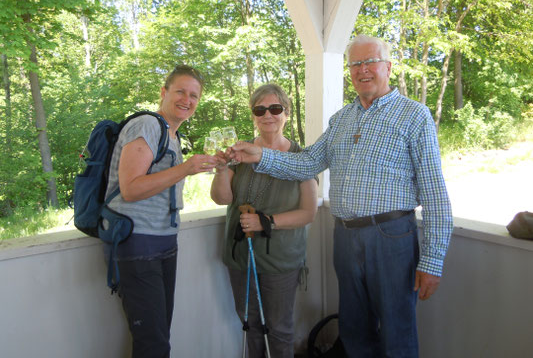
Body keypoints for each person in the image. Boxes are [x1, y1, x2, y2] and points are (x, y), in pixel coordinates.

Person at [229, 35, 453, 358]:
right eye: (355, 64)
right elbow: (307, 162)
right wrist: (259, 156)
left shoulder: (414, 116)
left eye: (370, 62)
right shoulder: (341, 119)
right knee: (354, 330)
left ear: (388, 67)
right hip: (345, 237)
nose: (363, 70)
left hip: (391, 237)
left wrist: (432, 260)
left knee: (396, 331)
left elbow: (434, 192)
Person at [104, 65, 219, 358]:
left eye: (194, 95)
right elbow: (130, 188)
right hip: (139, 243)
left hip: (163, 243)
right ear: (164, 92)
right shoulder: (147, 125)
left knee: (157, 336)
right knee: (153, 343)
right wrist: (186, 168)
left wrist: (194, 168)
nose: (187, 100)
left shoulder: (171, 135)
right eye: (181, 91)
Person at [210, 84, 318, 358]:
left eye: (275, 108)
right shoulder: (239, 154)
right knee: (250, 325)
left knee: (279, 329)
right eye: (260, 109)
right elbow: (222, 199)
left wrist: (266, 222)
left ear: (287, 113)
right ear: (253, 115)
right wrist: (222, 170)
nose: (267, 115)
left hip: (280, 260)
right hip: (241, 258)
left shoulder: (301, 158)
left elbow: (308, 212)